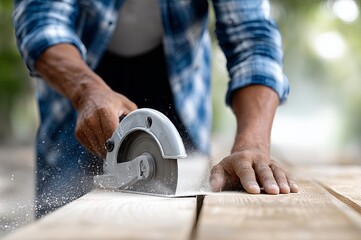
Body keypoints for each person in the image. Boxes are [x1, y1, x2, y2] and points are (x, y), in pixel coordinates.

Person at [13, 0, 299, 217]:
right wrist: (85, 90)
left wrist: (251, 145)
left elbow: (253, 40)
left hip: (177, 88)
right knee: (63, 220)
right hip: (77, 79)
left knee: (183, 217)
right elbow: (42, 23)